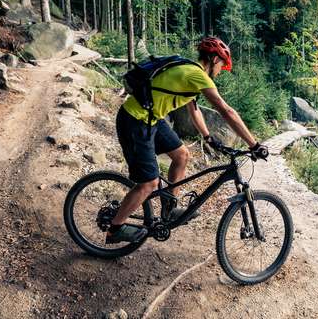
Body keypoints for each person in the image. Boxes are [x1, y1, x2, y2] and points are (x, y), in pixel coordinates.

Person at [107, 36, 269, 244]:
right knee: (149, 183)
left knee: (181, 155)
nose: (220, 71)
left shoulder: (191, 71)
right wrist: (254, 145)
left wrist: (208, 137)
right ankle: (115, 228)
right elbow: (226, 110)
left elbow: (193, 108)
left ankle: (169, 208)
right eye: (221, 65)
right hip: (135, 120)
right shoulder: (196, 74)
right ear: (213, 59)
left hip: (151, 118)